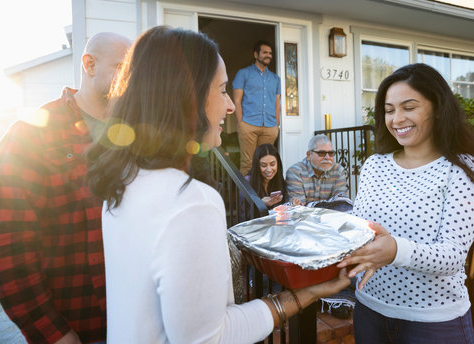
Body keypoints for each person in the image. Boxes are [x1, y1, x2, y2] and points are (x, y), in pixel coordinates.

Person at [86, 26, 350, 343]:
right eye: (222, 90)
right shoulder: (191, 202)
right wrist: (303, 295)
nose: (230, 106)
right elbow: (210, 338)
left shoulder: (123, 180)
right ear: (188, 96)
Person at [0, 32, 131, 344]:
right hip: (77, 327)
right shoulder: (31, 134)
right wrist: (54, 335)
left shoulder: (134, 135)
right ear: (89, 64)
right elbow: (9, 251)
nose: (130, 79)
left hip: (137, 325)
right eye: (122, 68)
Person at [338, 63, 474, 343]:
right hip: (369, 309)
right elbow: (359, 228)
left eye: (409, 107)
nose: (397, 119)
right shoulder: (375, 165)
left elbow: (454, 255)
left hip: (433, 322)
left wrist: (395, 249)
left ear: (438, 109)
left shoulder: (462, 169)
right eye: (389, 109)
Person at [233, 40, 281, 175]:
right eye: (265, 52)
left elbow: (277, 102)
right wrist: (241, 123)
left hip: (270, 126)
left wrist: (277, 124)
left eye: (270, 53)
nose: (269, 55)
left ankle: (262, 196)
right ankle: (245, 196)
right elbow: (237, 100)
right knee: (247, 163)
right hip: (248, 124)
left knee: (266, 163)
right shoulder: (243, 74)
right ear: (256, 55)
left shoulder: (275, 78)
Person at [285, 134, 348, 206]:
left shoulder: (338, 171)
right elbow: (298, 208)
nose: (327, 157)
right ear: (309, 155)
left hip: (330, 216)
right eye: (321, 153)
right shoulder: (295, 172)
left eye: (331, 153)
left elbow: (340, 204)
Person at [247, 143, 288, 209]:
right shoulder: (248, 182)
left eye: (272, 164)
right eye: (263, 165)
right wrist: (260, 203)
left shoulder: (278, 180)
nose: (269, 170)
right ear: (257, 165)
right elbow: (243, 213)